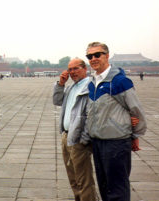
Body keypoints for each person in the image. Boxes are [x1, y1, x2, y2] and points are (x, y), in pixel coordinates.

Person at [84, 42, 147, 201]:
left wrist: (135, 136)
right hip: (98, 142)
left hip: (116, 143)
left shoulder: (119, 82)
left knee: (117, 188)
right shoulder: (93, 83)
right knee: (104, 185)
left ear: (107, 55)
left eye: (97, 54)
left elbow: (136, 111)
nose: (93, 59)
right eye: (90, 56)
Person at [53, 58, 97, 201]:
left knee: (84, 179)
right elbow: (57, 101)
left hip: (78, 139)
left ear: (85, 68)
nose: (72, 72)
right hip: (67, 136)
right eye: (70, 69)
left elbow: (92, 116)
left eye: (76, 68)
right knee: (73, 177)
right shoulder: (72, 87)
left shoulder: (90, 87)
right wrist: (60, 84)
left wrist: (84, 139)